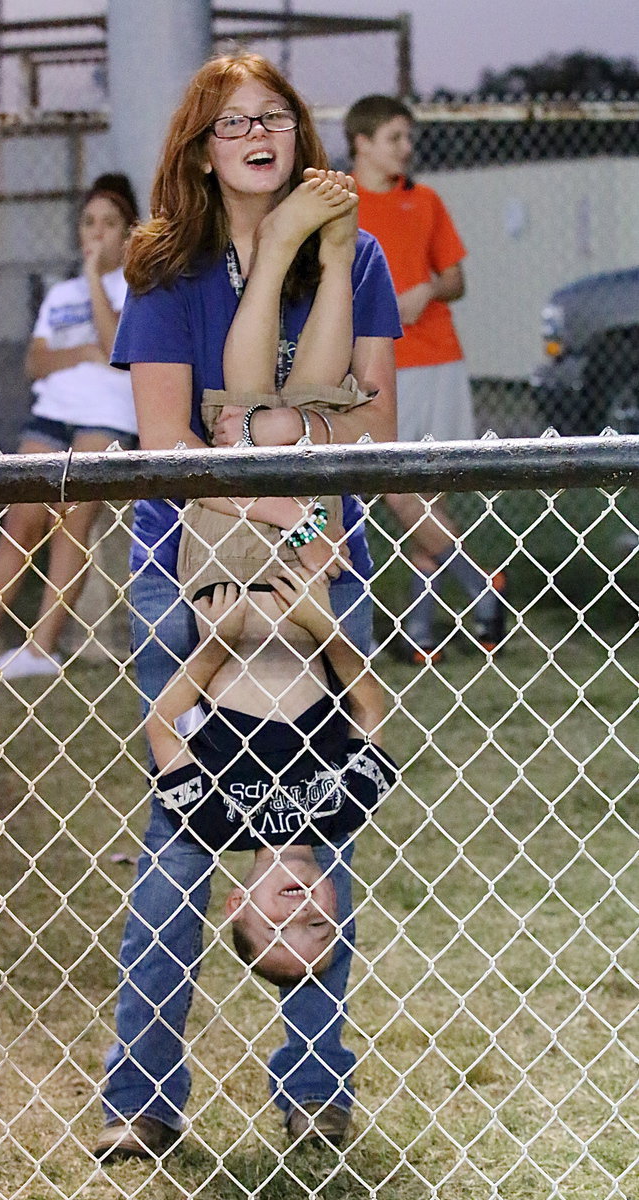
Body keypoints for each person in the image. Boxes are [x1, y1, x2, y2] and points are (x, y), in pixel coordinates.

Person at [94, 52, 400, 1163]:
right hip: (196, 573)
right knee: (184, 832)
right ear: (198, 147)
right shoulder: (164, 266)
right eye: (234, 123)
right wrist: (270, 480)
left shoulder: (352, 254)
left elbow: (372, 428)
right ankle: (142, 1094)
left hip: (324, 566)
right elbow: (165, 442)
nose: (259, 134)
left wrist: (295, 478)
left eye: (276, 116)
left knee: (321, 824)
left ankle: (314, 1085)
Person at [148, 572, 398, 985]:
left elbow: (162, 726)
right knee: (300, 511)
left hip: (222, 590)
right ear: (336, 903)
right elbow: (369, 711)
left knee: (235, 505)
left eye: (278, 930)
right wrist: (324, 626)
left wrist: (215, 645)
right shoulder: (347, 812)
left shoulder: (210, 825)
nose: (300, 914)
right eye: (319, 927)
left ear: (237, 904)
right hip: (302, 589)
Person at [0, 172, 140, 683]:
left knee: (70, 517)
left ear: (127, 233)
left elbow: (117, 347)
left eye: (108, 224)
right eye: (88, 223)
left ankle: (41, 647)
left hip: (107, 417)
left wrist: (98, 282)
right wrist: (81, 353)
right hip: (53, 411)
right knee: (21, 519)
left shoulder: (137, 286)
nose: (96, 233)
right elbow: (35, 361)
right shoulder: (60, 295)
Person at [346, 95, 508, 663]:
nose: (406, 148)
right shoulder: (340, 204)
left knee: (428, 490)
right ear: (361, 142)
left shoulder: (427, 200)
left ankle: (421, 630)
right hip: (375, 367)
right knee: (393, 485)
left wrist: (427, 290)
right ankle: (479, 585)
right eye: (394, 137)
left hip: (437, 356)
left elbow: (456, 277)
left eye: (409, 137)